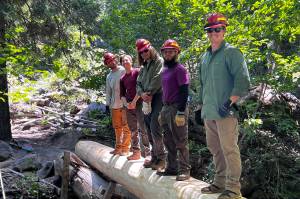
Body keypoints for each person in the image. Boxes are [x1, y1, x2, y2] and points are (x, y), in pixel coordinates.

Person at [198, 13, 250, 199]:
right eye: (210, 30)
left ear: (224, 30)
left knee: (229, 149)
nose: (214, 33)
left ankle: (233, 190)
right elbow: (202, 84)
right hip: (209, 111)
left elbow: (243, 81)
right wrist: (201, 107)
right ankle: (219, 183)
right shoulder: (205, 56)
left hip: (226, 112)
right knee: (214, 148)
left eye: (217, 29)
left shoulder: (232, 52)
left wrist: (229, 102)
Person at [157, 39, 191, 181]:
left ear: (177, 52)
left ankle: (184, 170)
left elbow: (184, 91)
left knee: (180, 140)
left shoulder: (180, 69)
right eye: (166, 51)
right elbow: (165, 90)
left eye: (171, 51)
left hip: (177, 107)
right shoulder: (165, 69)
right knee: (168, 139)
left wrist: (181, 112)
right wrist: (162, 111)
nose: (168, 53)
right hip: (166, 108)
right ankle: (171, 168)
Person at [135, 39, 166, 170]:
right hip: (146, 98)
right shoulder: (143, 66)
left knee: (155, 126)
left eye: (145, 50)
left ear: (151, 48)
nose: (144, 53)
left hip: (158, 96)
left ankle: (162, 158)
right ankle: (154, 156)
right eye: (141, 52)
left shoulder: (160, 61)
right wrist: (142, 94)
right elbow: (138, 83)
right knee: (147, 127)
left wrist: (148, 93)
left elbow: (158, 78)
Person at [120, 54, 151, 160]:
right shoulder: (122, 78)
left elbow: (141, 88)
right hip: (129, 106)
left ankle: (148, 154)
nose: (125, 62)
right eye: (123, 61)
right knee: (133, 130)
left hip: (139, 103)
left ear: (131, 61)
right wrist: (127, 104)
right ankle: (136, 152)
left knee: (143, 129)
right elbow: (122, 94)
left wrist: (134, 102)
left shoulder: (137, 72)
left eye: (127, 60)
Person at [104, 52, 131, 156]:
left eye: (112, 60)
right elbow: (108, 91)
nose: (112, 62)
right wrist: (107, 105)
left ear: (115, 59)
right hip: (114, 105)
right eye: (109, 61)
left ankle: (125, 149)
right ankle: (118, 148)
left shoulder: (123, 70)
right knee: (117, 128)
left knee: (126, 127)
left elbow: (130, 83)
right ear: (107, 64)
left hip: (124, 104)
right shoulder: (109, 76)